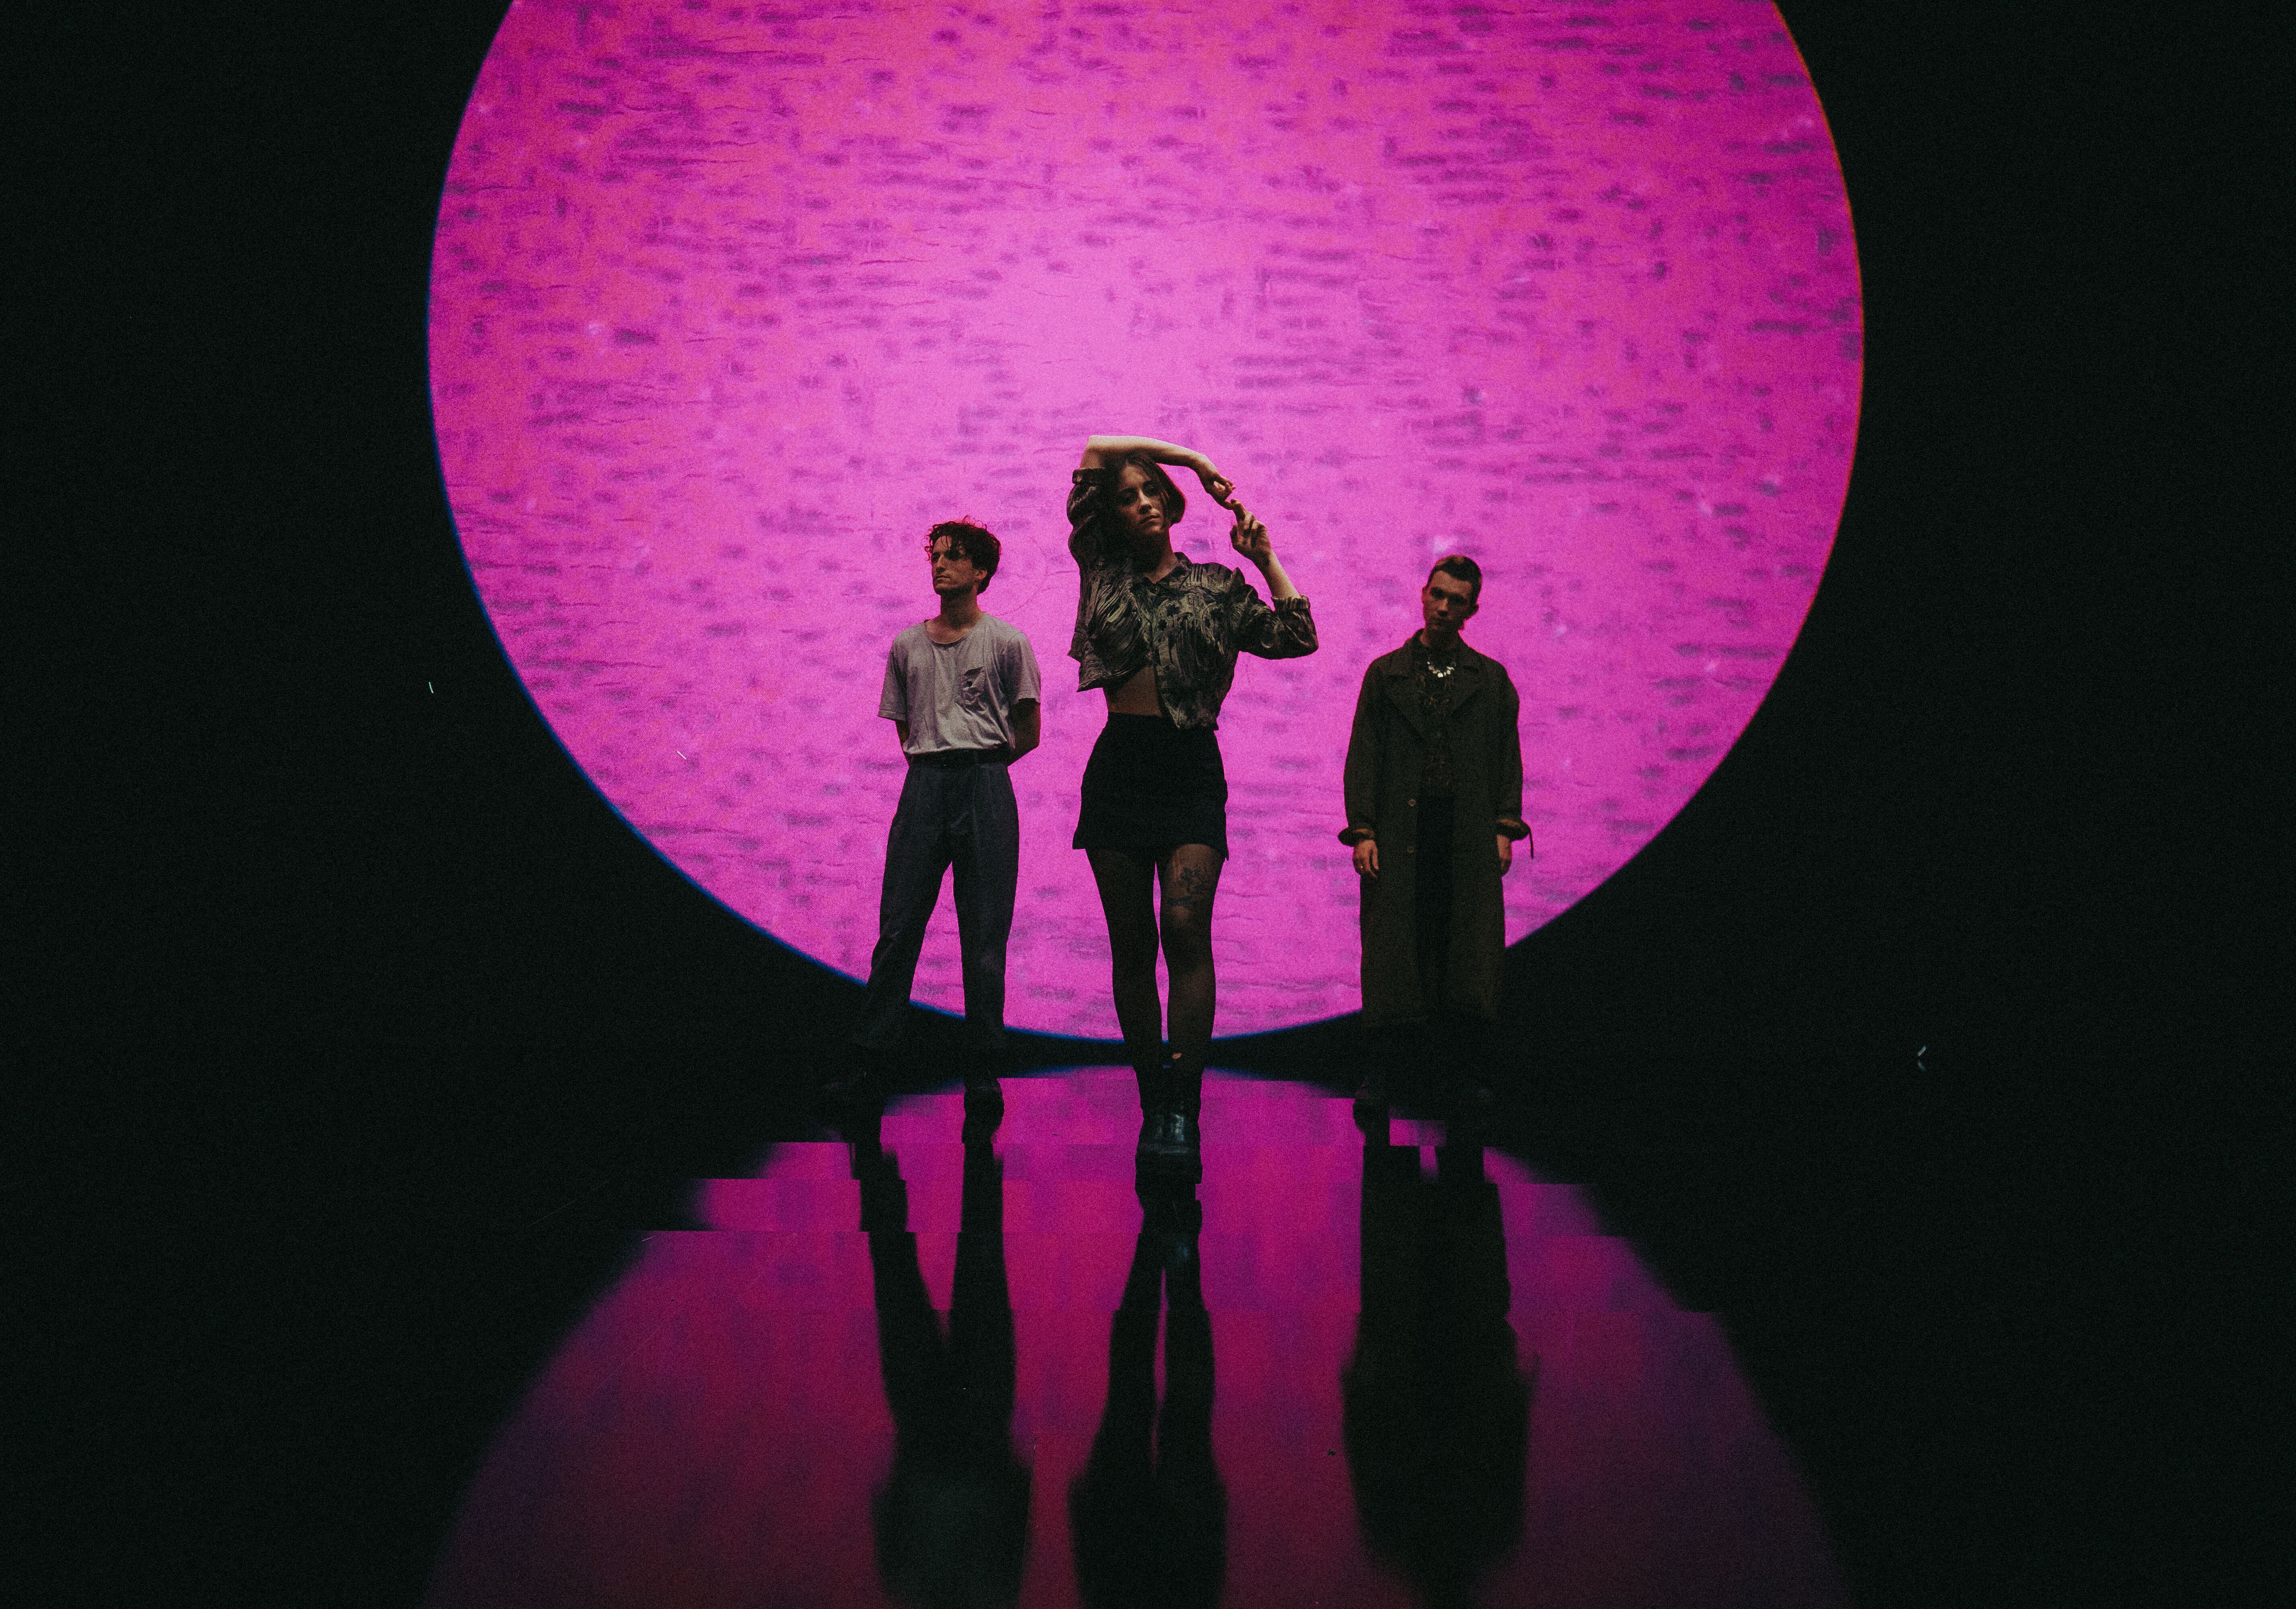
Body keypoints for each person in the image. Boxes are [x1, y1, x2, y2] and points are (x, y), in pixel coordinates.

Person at [1067, 435, 1317, 1171]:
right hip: (1119, 767)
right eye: (1128, 497)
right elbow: (1096, 446)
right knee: (1131, 942)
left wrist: (1263, 558)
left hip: (1190, 769)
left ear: (1172, 508)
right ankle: (1153, 1098)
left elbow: (1297, 635)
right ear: (1112, 515)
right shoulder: (1101, 567)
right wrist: (1193, 461)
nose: (1143, 502)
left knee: (1183, 926)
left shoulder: (1216, 585)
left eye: (1153, 492)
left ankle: (1184, 1099)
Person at [844, 520, 1042, 1119]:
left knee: (984, 936)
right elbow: (906, 727)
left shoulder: (1007, 642)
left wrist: (979, 763)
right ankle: (870, 1065)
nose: (940, 565)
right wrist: (938, 761)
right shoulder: (907, 645)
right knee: (898, 929)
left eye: (954, 557)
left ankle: (983, 1071)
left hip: (984, 783)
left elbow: (1028, 731)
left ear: (980, 571)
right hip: (926, 785)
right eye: (936, 556)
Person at [1340, 556, 1530, 1106]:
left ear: (1472, 610)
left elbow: (1506, 758)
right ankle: (1384, 1075)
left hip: (1464, 832)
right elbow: (1364, 755)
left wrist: (1503, 826)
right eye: (1438, 595)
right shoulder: (1387, 675)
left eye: (1456, 601)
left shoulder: (1489, 681)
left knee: (1465, 953)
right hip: (1401, 830)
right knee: (1393, 952)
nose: (1444, 608)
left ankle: (1462, 1076)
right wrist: (1364, 830)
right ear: (1423, 594)